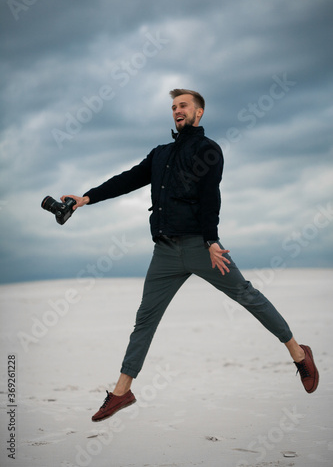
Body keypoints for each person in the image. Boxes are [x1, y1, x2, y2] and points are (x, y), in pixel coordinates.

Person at [61, 88, 319, 422]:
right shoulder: (160, 154)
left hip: (201, 247)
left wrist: (211, 240)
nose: (177, 110)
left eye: (183, 105)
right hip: (165, 252)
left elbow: (211, 196)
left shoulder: (208, 150)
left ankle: (299, 354)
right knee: (145, 320)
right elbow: (126, 180)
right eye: (173, 107)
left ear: (199, 113)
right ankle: (122, 391)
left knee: (247, 295)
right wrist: (86, 198)